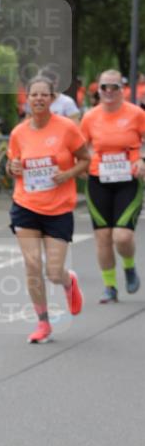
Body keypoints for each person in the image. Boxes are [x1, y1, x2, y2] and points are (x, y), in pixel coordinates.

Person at [7, 76, 90, 344]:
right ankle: (43, 323)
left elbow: (86, 160)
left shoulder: (66, 128)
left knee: (53, 272)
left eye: (45, 95)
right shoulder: (19, 132)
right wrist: (13, 168)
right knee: (32, 265)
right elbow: (12, 164)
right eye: (34, 95)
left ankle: (68, 282)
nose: (39, 99)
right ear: (28, 99)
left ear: (52, 99)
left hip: (58, 208)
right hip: (26, 204)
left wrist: (67, 175)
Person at [80, 68, 145, 301]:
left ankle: (128, 267)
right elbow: (81, 146)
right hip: (99, 180)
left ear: (122, 89)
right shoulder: (90, 117)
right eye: (104, 87)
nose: (108, 91)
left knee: (122, 237)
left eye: (114, 87)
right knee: (103, 237)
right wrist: (81, 166)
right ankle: (110, 287)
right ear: (98, 89)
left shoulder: (136, 114)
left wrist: (141, 159)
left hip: (128, 181)